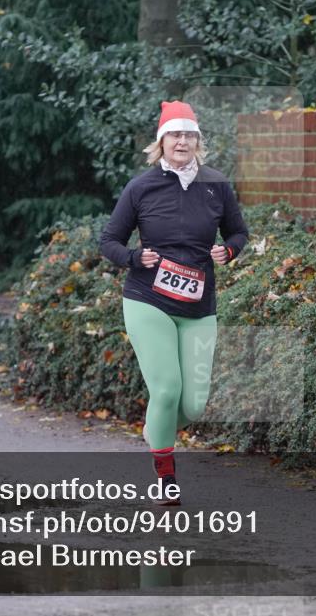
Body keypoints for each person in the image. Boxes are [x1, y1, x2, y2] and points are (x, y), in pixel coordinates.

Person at [99, 100, 249, 506]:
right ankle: (165, 475)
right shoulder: (141, 187)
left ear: (198, 141)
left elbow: (238, 233)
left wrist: (228, 252)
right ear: (161, 141)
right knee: (166, 391)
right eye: (175, 134)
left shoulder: (216, 185)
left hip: (198, 306)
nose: (182, 141)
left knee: (195, 406)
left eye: (189, 135)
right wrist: (134, 257)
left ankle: (156, 430)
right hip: (148, 300)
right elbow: (108, 241)